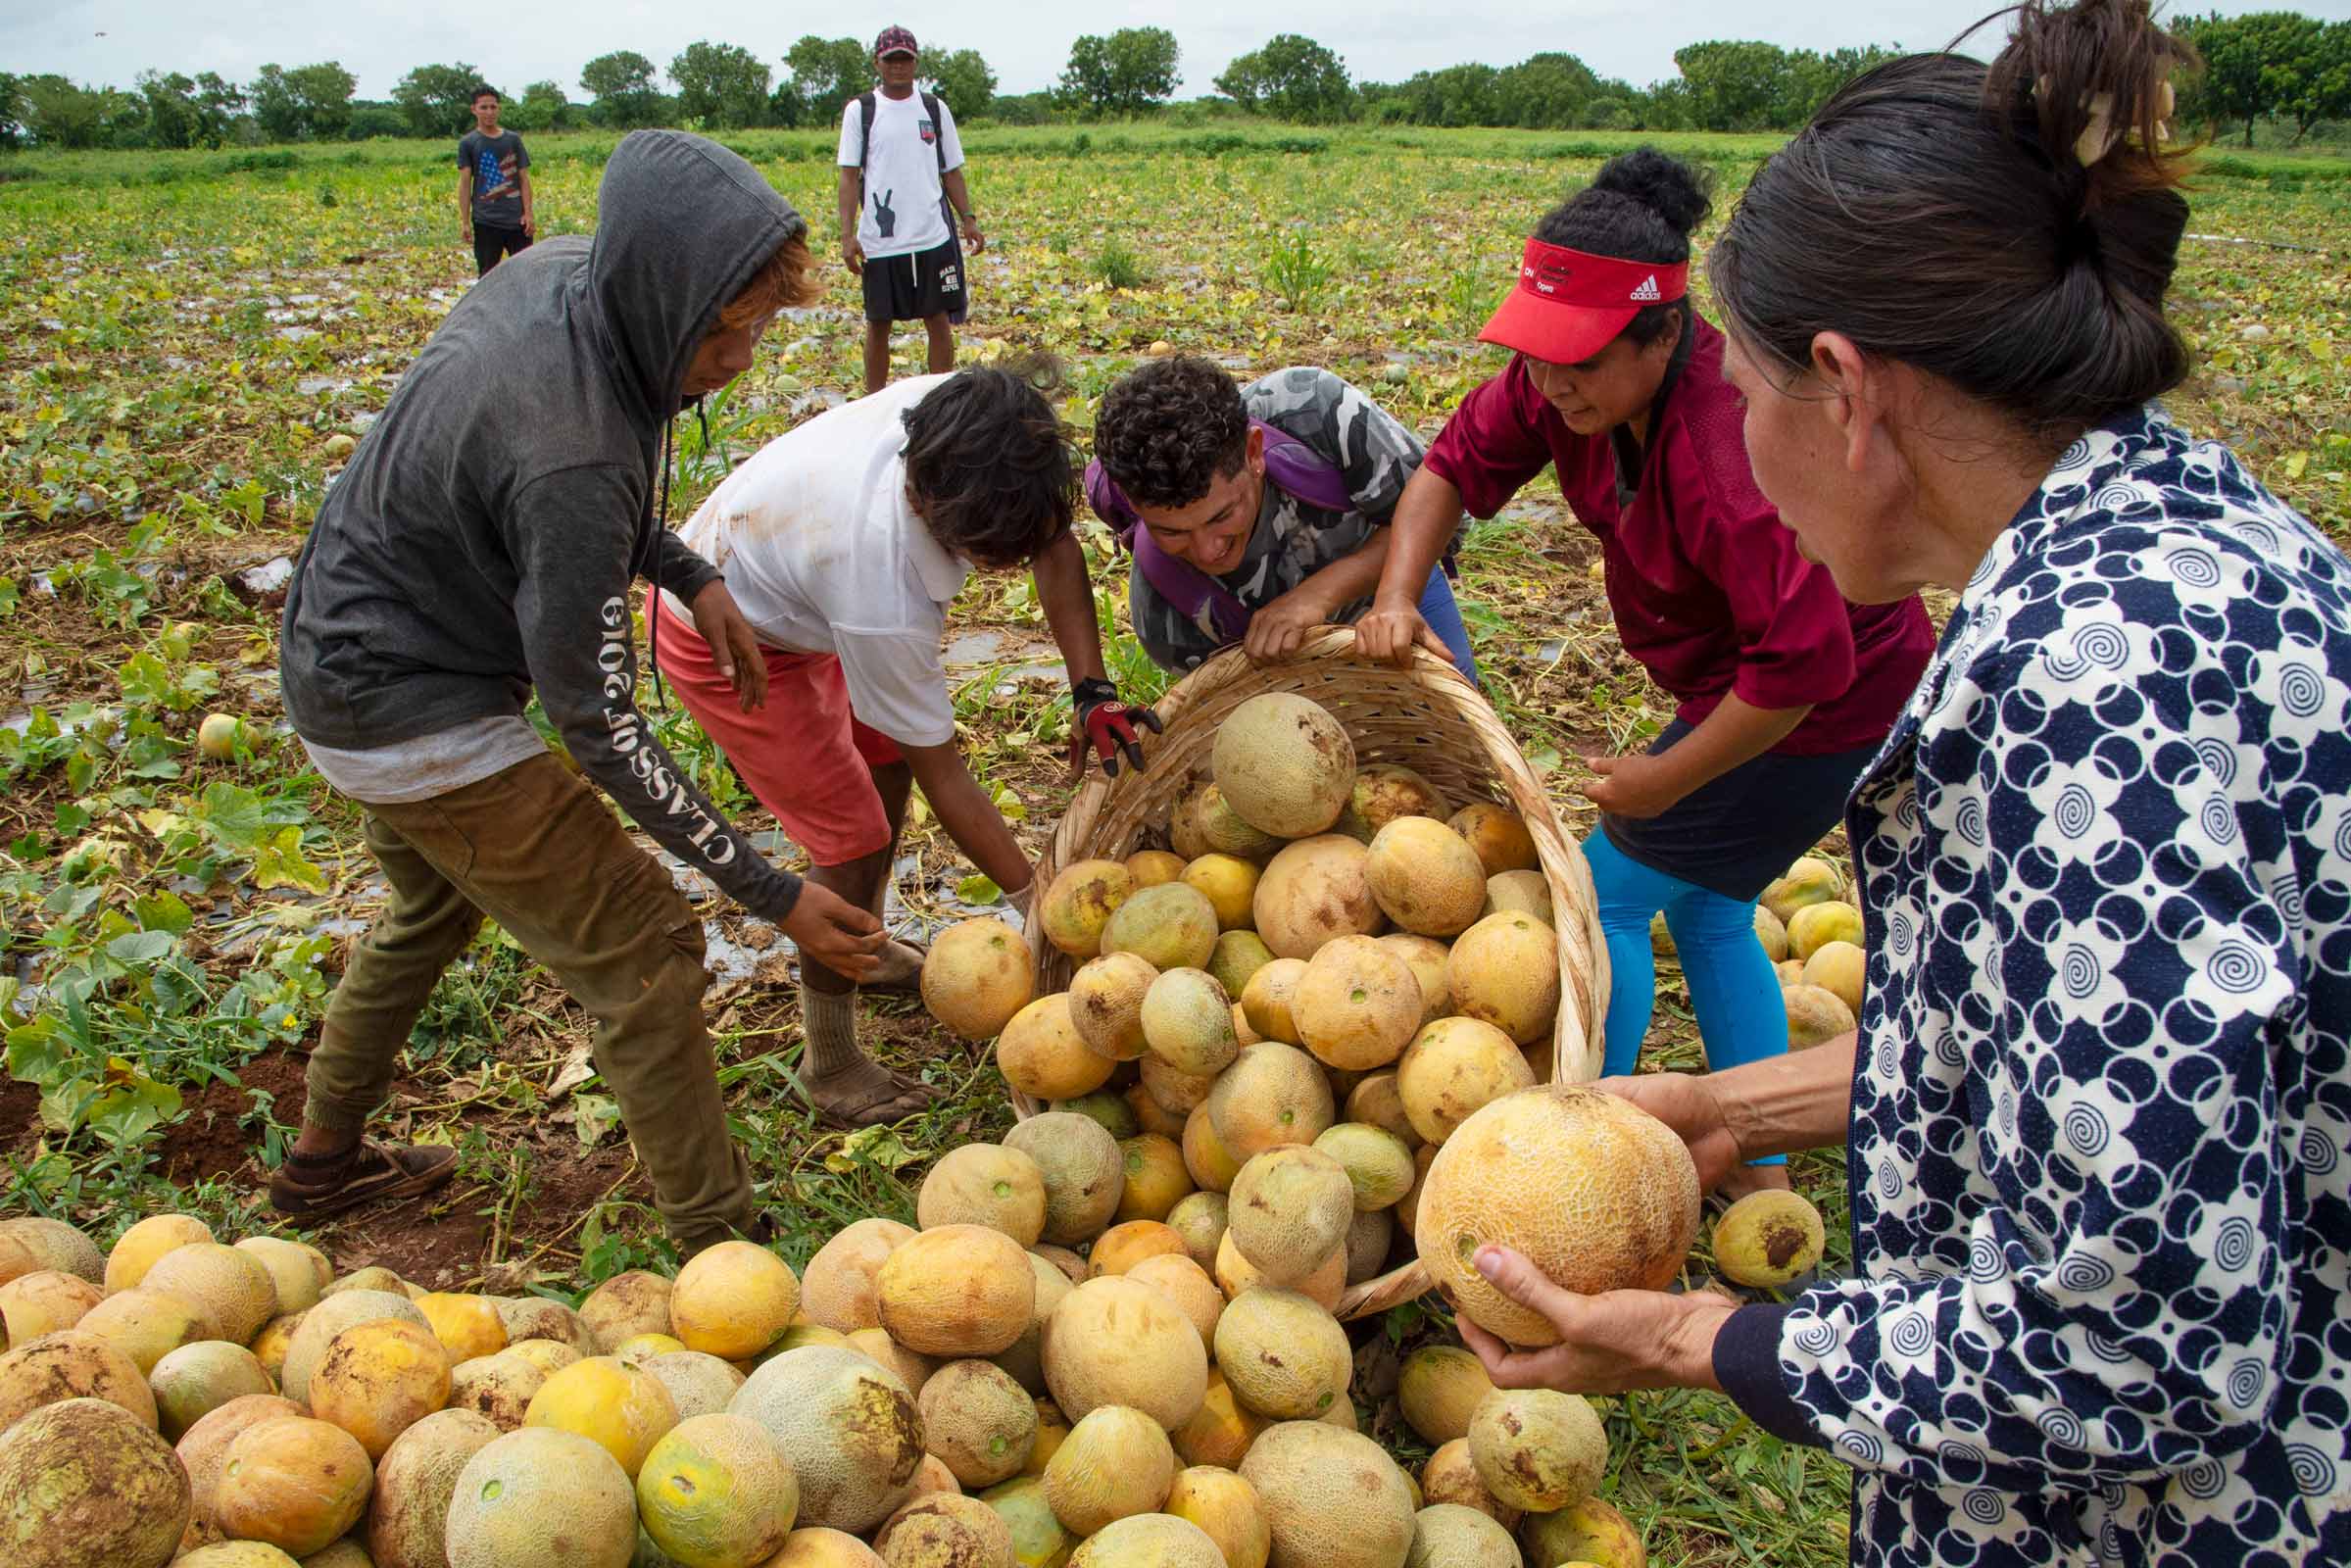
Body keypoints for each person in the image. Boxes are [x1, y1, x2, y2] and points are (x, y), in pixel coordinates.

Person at [1447, 4, 2351, 1562]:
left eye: (1739, 388)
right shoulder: (2191, 539)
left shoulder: (2085, 693)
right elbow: (2113, 1097)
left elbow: (2147, 1346)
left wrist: (1687, 1341)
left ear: (1849, 393)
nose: (1732, 438)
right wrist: (1717, 1100)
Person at [272, 130, 888, 1254]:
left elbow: (567, 495)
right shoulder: (575, 452)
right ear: (663, 296)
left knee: (430, 907)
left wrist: (691, 576)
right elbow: (597, 723)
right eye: (728, 330)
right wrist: (772, 891)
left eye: (755, 326)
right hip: (414, 708)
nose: (741, 358)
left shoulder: (568, 274)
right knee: (647, 948)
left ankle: (323, 1162)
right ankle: (721, 1249)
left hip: (337, 651)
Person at [1358, 150, 1934, 1181]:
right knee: (1709, 905)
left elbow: (1800, 667)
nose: (1547, 381)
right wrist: (1398, 592)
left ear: (1663, 335)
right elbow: (1445, 469)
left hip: (1828, 706)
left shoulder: (1727, 455)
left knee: (1606, 892)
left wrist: (1661, 778)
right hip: (1746, 688)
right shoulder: (1556, 386)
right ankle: (1757, 1169)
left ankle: (1591, 1143)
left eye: (1575, 361)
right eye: (1534, 355)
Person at [653, 361, 1158, 1125]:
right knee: (851, 837)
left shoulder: (969, 418)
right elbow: (944, 775)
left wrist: (1091, 689)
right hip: (724, 632)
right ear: (936, 514)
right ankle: (830, 1062)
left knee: (880, 767)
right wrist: (1039, 903)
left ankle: (868, 941)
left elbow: (1052, 542)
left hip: (792, 580)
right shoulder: (879, 592)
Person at [1088, 356, 1479, 680]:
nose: (1208, 552)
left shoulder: (1315, 410)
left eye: (1223, 515)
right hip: (1273, 663)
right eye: (1171, 532)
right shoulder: (1165, 614)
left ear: (1254, 453)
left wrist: (1317, 595)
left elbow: (1439, 517)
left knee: (1454, 719)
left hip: (1393, 582)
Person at [838, 26, 985, 395]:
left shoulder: (934, 109)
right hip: (881, 240)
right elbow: (849, 176)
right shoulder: (862, 111)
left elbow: (951, 171)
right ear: (878, 63)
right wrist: (846, 235)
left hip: (931, 235)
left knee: (937, 319)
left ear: (916, 63)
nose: (899, 66)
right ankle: (872, 405)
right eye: (891, 59)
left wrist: (969, 219)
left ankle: (939, 400)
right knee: (879, 324)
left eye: (905, 59)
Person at [457, 86, 533, 276]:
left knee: (526, 274)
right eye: (484, 107)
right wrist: (465, 221)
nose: (489, 112)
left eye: (493, 107)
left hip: (517, 221)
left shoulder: (513, 140)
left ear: (498, 108)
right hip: (486, 221)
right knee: (487, 275)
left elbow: (523, 179)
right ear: (474, 109)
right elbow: (465, 184)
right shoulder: (468, 143)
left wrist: (528, 213)